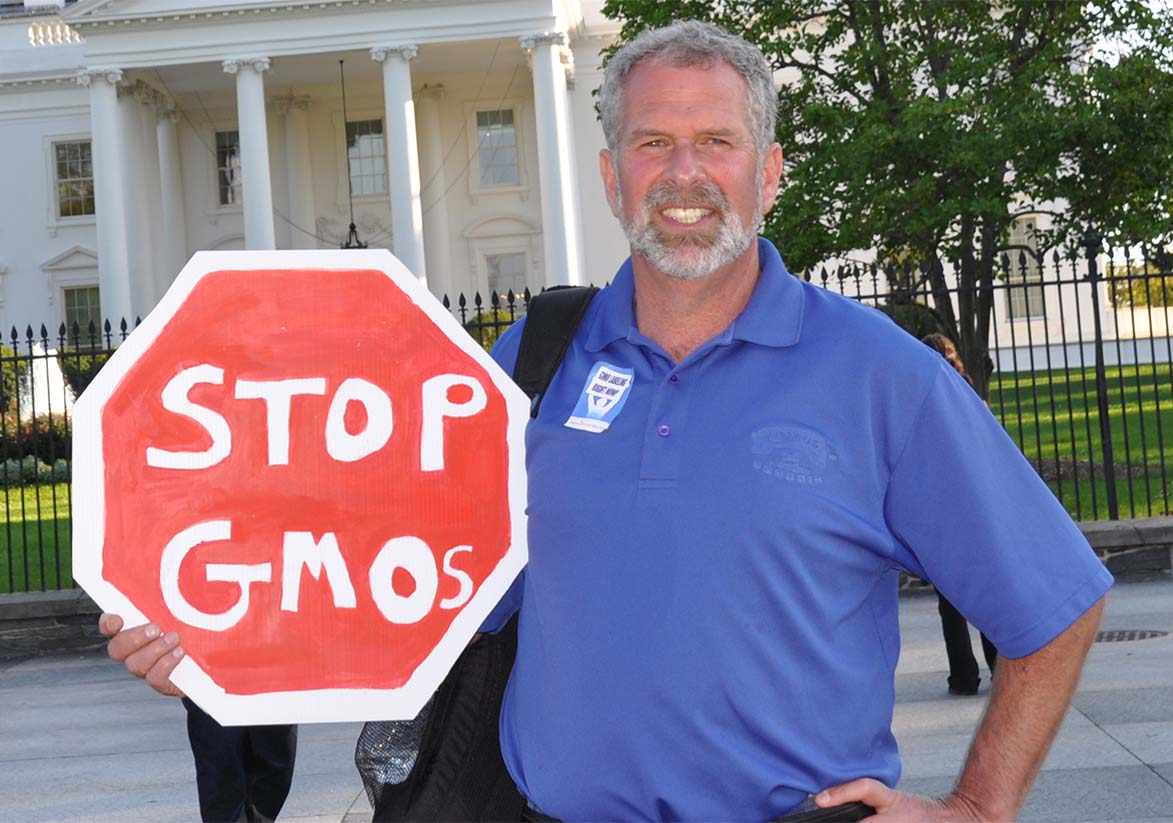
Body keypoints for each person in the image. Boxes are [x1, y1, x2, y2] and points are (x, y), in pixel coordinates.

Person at [102, 20, 1112, 821]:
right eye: (652, 142)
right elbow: (374, 570)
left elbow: (1056, 601)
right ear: (610, 175)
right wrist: (211, 637)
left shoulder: (881, 375)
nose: (684, 175)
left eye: (718, 142)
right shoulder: (527, 361)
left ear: (768, 171)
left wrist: (980, 805)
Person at [920, 333, 1000, 696]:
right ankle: (998, 664)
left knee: (950, 602)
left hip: (941, 512)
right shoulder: (974, 403)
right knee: (988, 593)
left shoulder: (919, 403)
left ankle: (964, 677)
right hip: (979, 508)